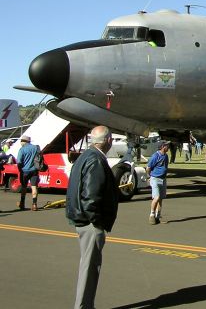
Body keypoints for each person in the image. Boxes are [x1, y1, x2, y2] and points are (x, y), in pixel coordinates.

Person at [66, 126, 119, 309]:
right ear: (108, 140)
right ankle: (84, 306)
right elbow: (90, 196)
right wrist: (97, 221)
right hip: (90, 223)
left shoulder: (84, 156)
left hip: (82, 219)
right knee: (90, 269)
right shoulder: (96, 160)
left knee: (88, 266)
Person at [147, 141, 170, 224]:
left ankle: (158, 216)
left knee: (160, 199)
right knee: (156, 197)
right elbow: (148, 168)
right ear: (163, 146)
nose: (168, 147)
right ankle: (152, 215)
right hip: (155, 179)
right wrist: (150, 176)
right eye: (167, 145)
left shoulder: (166, 156)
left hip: (163, 179)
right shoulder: (155, 156)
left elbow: (165, 167)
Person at [16, 135, 39, 211]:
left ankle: (22, 203)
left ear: (24, 141)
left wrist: (20, 170)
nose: (21, 142)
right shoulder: (36, 148)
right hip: (34, 171)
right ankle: (34, 204)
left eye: (21, 141)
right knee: (34, 187)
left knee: (24, 187)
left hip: (24, 171)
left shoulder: (22, 149)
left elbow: (19, 162)